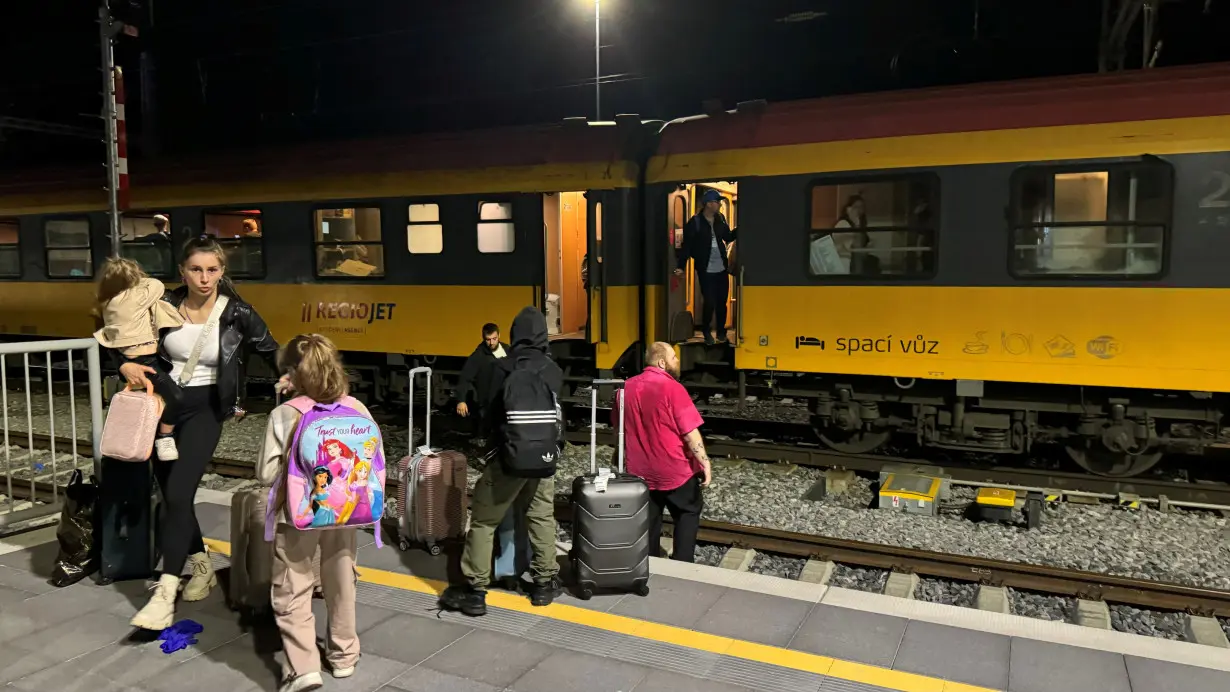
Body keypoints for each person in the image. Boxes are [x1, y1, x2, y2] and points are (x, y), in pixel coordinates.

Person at [120, 236, 279, 631]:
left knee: (176, 493)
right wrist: (123, 366)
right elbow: (122, 339)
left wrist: (301, 379)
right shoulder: (162, 306)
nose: (204, 278)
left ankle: (165, 594)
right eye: (196, 269)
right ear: (182, 272)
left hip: (207, 409)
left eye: (212, 270)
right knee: (171, 493)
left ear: (222, 271)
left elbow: (272, 350)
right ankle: (201, 564)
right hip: (161, 406)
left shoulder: (237, 312)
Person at [256, 334, 374, 692]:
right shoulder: (356, 407)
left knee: (293, 584)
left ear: (293, 372)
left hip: (299, 514)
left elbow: (264, 473)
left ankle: (304, 668)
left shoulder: (285, 413)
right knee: (340, 579)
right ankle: (344, 656)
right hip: (347, 510)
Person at [440, 307, 563, 616]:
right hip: (544, 460)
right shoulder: (553, 370)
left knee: (484, 520)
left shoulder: (501, 367)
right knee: (541, 518)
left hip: (505, 460)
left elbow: (487, 415)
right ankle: (544, 585)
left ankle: (475, 590)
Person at [616, 342, 712, 563]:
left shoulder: (624, 389)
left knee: (649, 517)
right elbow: (690, 432)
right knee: (688, 511)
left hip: (640, 471)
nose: (677, 361)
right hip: (674, 469)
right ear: (662, 362)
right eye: (674, 357)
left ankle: (650, 563)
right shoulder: (673, 388)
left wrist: (622, 457)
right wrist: (705, 462)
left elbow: (619, 430)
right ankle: (682, 562)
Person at [93, 257, 185, 460]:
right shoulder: (136, 298)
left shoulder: (109, 303)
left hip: (130, 357)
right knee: (176, 398)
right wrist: (140, 278)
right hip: (146, 361)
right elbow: (157, 285)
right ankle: (165, 436)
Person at [674, 190, 737, 345]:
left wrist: (740, 228)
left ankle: (721, 332)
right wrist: (681, 266)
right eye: (717, 201)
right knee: (709, 301)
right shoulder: (694, 223)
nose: (720, 204)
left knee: (722, 301)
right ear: (709, 204)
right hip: (705, 269)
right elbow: (686, 247)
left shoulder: (720, 219)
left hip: (721, 268)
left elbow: (727, 237)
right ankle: (707, 331)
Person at [455, 322, 509, 436]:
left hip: (505, 399)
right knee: (487, 430)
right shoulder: (478, 356)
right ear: (484, 338)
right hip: (487, 401)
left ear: (499, 335)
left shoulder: (507, 350)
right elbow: (465, 377)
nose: (492, 343)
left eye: (494, 339)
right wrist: (461, 400)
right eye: (488, 340)